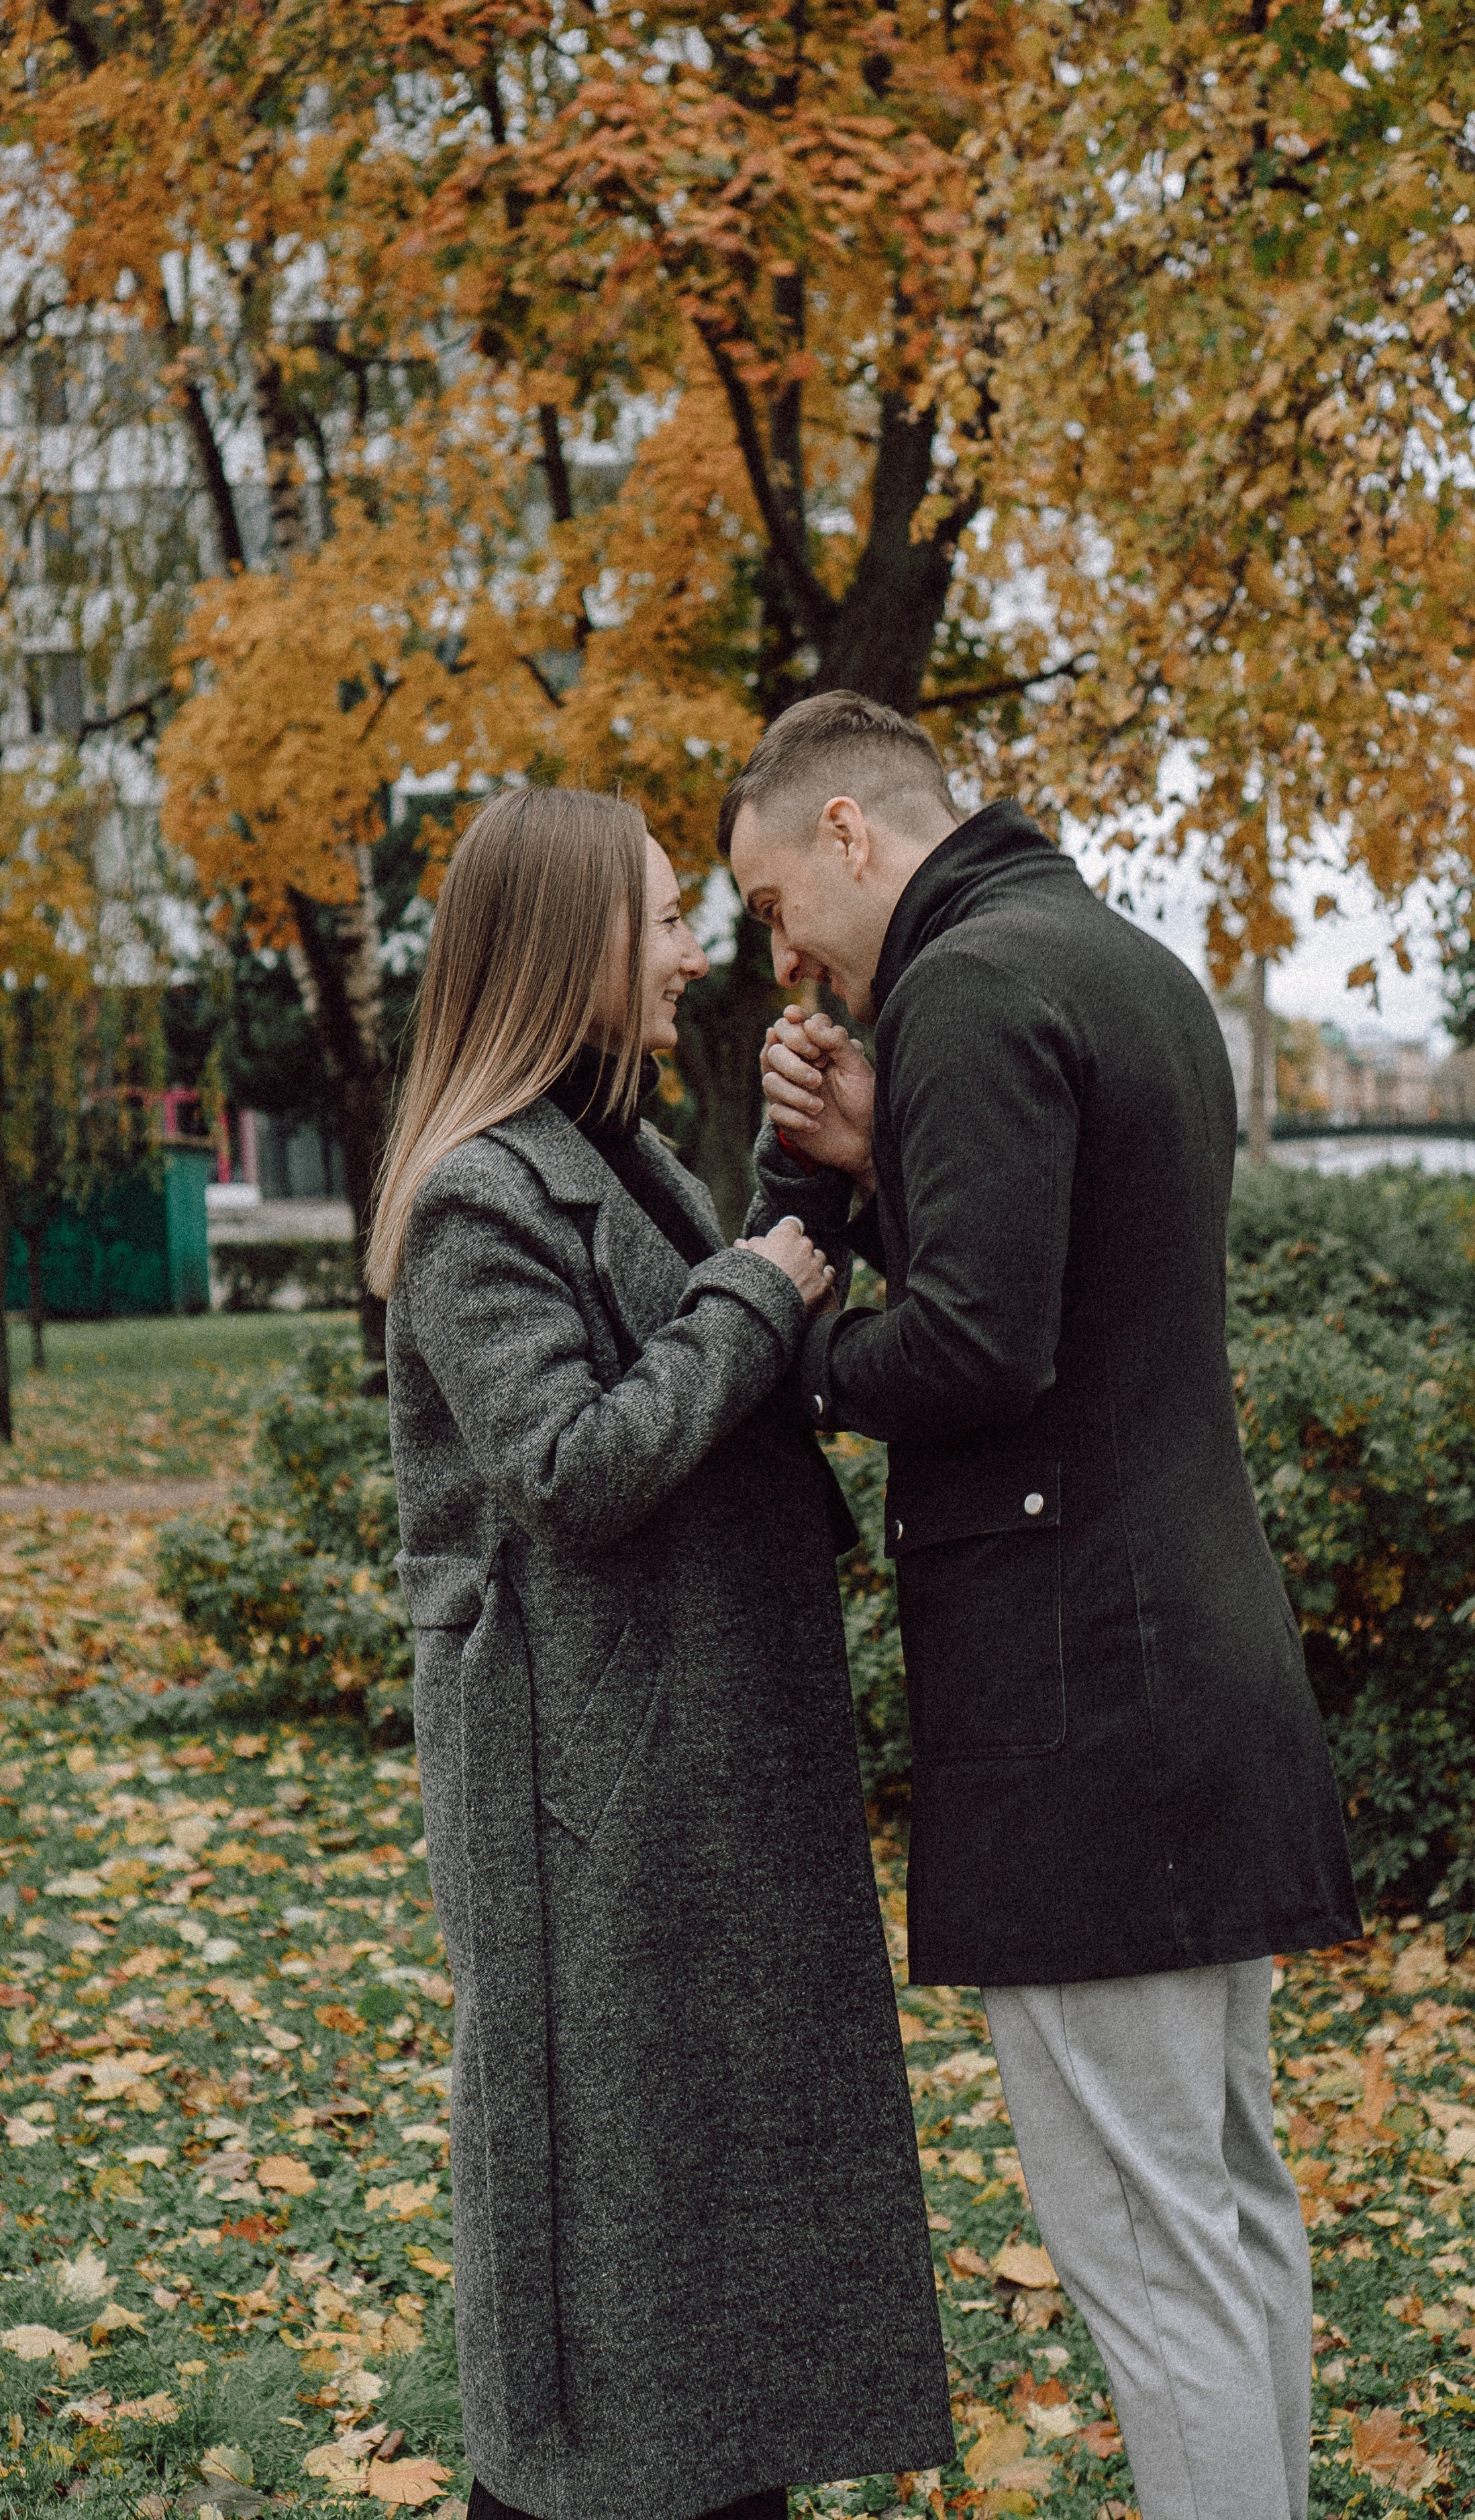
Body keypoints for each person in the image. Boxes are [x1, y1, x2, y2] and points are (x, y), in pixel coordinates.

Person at [723, 693, 1363, 2520]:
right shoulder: (1115, 960)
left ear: (850, 830)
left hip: (1089, 1708)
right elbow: (1069, 1292)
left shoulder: (970, 989)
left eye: (777, 904)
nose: (786, 956)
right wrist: (876, 1165)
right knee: (1226, 2217)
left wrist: (784, 1349)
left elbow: (985, 1348)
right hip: (1190, 1662)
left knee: (1156, 2267)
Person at [367, 784, 954, 2520]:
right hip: (582, 1791)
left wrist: (817, 1198)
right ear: (569, 947)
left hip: (684, 1761)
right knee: (610, 2241)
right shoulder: (479, 1197)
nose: (700, 953)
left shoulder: (618, 1155)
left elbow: (712, 1354)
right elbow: (572, 1465)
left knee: (714, 2222)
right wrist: (758, 1293)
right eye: (666, 918)